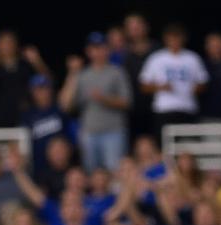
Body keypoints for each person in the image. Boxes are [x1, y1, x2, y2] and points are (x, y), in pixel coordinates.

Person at [60, 34, 132, 173]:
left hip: (113, 131)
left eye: (101, 48)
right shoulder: (82, 75)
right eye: (94, 48)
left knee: (115, 173)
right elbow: (65, 104)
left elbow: (127, 102)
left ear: (107, 50)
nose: (98, 52)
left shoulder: (117, 72)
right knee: (91, 175)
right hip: (89, 133)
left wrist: (104, 98)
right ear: (88, 51)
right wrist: (73, 73)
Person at [138, 24, 208, 135]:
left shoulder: (192, 58)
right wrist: (160, 87)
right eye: (171, 38)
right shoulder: (156, 58)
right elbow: (143, 86)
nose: (174, 41)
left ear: (183, 39)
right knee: (165, 146)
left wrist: (195, 89)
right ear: (166, 39)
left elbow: (203, 83)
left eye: (177, 37)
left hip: (187, 108)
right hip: (164, 109)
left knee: (187, 146)